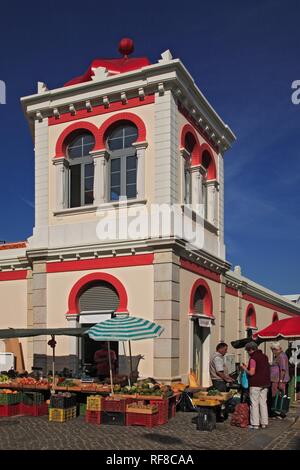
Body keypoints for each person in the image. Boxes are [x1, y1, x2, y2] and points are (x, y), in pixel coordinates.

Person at [241, 342, 270, 430]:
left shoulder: (253, 358)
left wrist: (245, 368)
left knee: (254, 403)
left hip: (255, 383)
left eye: (247, 351)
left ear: (250, 349)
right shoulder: (265, 356)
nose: (247, 353)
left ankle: (255, 424)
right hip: (265, 382)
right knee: (263, 403)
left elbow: (252, 372)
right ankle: (264, 423)